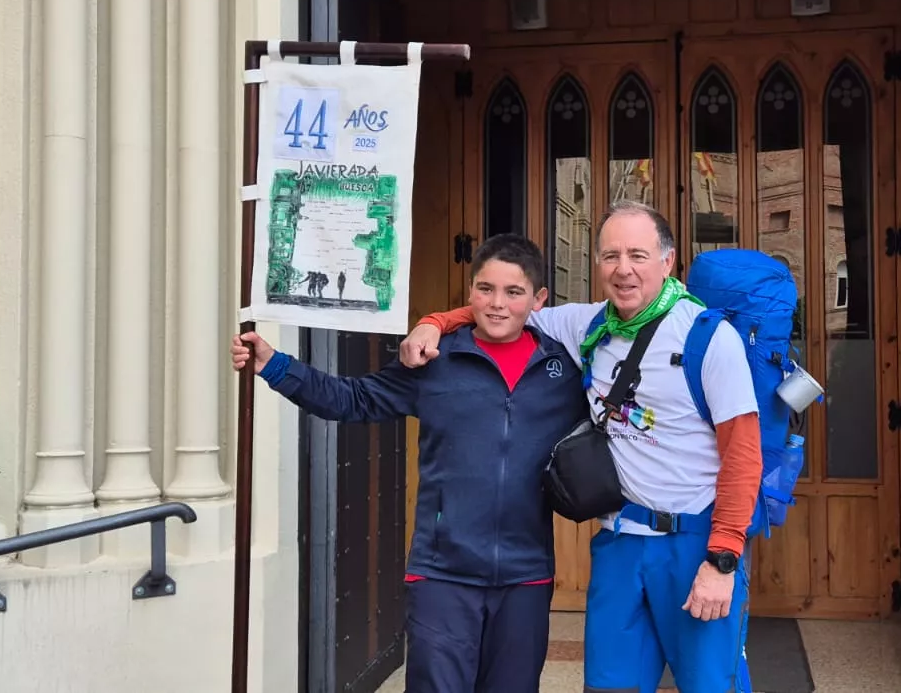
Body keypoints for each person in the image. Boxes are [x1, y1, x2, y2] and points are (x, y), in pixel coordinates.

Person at [399, 201, 763, 693]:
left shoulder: (708, 338)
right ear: (597, 264)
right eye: (610, 255)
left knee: (709, 686)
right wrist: (435, 321)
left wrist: (722, 561)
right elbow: (506, 308)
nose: (623, 269)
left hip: (694, 543)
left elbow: (743, 456)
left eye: (638, 254)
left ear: (668, 261)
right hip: (619, 543)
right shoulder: (585, 324)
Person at [232, 233, 585, 693]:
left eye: (513, 292)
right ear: (471, 289)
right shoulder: (435, 361)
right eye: (485, 288)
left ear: (538, 299)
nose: (497, 304)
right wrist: (275, 365)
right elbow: (352, 399)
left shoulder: (563, 370)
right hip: (442, 575)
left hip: (526, 578)